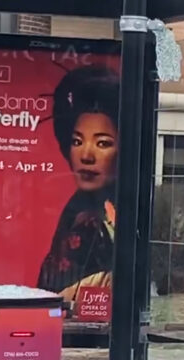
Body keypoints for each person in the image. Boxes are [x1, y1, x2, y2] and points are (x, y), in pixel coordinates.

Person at [37, 65, 120, 304]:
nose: (86, 155)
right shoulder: (81, 217)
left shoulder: (113, 209)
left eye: (103, 143)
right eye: (77, 141)